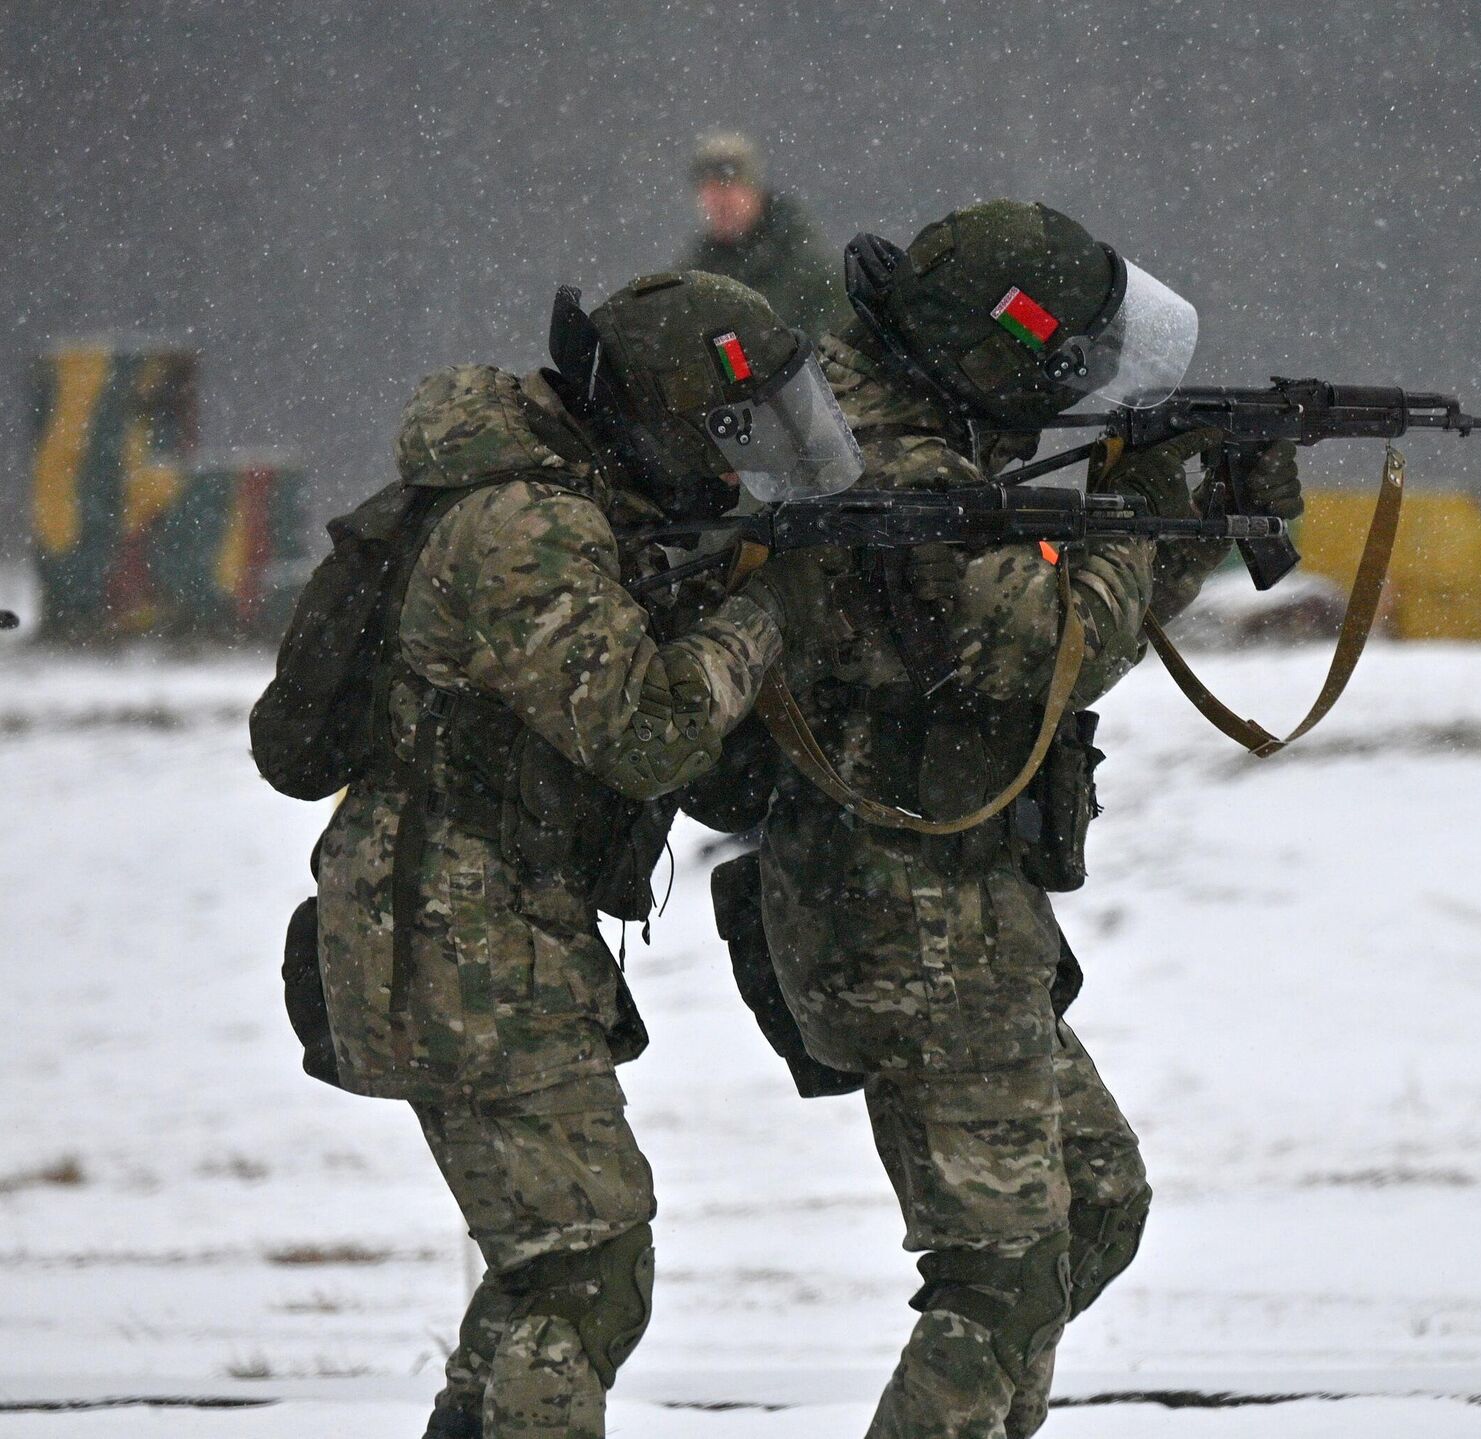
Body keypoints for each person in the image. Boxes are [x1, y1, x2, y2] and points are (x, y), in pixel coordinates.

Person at [732, 200, 1303, 1438]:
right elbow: (1043, 641)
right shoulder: (894, 468)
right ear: (993, 352)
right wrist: (1156, 496)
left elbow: (1062, 609)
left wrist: (1177, 518)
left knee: (1092, 1207)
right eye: (1060, 361)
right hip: (908, 915)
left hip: (950, 904)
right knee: (998, 1274)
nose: (1076, 382)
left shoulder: (885, 421)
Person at [295, 272, 856, 1439]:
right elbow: (648, 734)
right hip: (455, 928)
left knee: (545, 1267)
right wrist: (768, 613)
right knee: (590, 1266)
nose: (729, 465)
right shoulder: (526, 524)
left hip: (469, 919)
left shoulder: (561, 501)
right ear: (657, 413)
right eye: (719, 435)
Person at [675, 131, 850, 341]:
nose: (720, 203)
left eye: (729, 188)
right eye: (711, 192)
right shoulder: (691, 276)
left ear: (754, 191)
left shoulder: (807, 267)